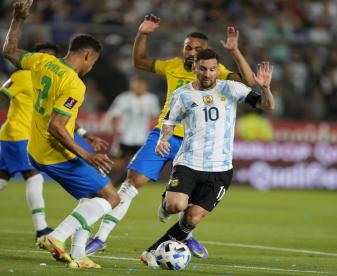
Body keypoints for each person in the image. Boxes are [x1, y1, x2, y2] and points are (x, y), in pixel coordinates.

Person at [87, 14, 256, 259]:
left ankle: (185, 233)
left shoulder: (216, 73)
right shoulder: (172, 66)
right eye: (188, 47)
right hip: (164, 135)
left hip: (196, 144)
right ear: (183, 48)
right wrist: (143, 34)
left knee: (188, 202)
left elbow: (250, 84)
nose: (191, 52)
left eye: (197, 49)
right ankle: (101, 237)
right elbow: (141, 61)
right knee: (132, 183)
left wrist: (235, 52)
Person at [2, 1, 120, 269]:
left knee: (90, 199)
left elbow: (9, 51)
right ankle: (56, 237)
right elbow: (56, 126)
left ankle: (78, 255)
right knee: (111, 198)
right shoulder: (74, 84)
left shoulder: (43, 61)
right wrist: (86, 154)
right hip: (57, 154)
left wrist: (18, 19)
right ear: (88, 56)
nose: (91, 68)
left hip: (35, 150)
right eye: (94, 62)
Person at [141, 48, 274, 267]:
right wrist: (163, 139)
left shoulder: (231, 88)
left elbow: (267, 105)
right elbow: (169, 122)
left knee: (192, 218)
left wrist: (266, 89)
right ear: (195, 68)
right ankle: (166, 203)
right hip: (189, 162)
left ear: (217, 69)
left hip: (220, 168)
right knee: (176, 206)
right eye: (203, 69)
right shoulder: (183, 94)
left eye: (212, 69)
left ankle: (152, 251)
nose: (207, 74)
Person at [105, 75, 160, 183]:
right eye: (136, 84)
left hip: (142, 138)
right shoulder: (123, 98)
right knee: (117, 163)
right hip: (125, 136)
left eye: (141, 85)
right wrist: (115, 131)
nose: (139, 87)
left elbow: (156, 117)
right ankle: (103, 177)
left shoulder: (152, 99)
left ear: (146, 86)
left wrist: (154, 132)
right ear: (132, 86)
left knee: (137, 163)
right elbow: (113, 116)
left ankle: (121, 182)